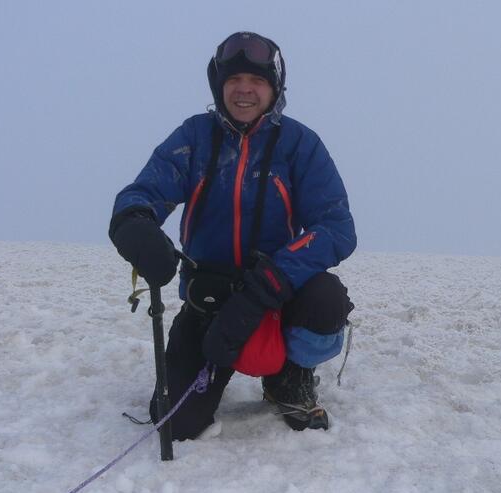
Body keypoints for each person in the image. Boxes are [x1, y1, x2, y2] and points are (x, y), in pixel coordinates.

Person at [109, 32, 356, 440]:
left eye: (257, 81)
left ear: (274, 88)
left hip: (276, 294)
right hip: (210, 301)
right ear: (218, 86)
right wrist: (135, 223)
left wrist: (270, 282)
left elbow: (336, 227)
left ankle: (289, 376)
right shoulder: (193, 138)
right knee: (176, 423)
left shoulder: (300, 144)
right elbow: (144, 192)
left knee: (326, 297)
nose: (244, 89)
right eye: (234, 79)